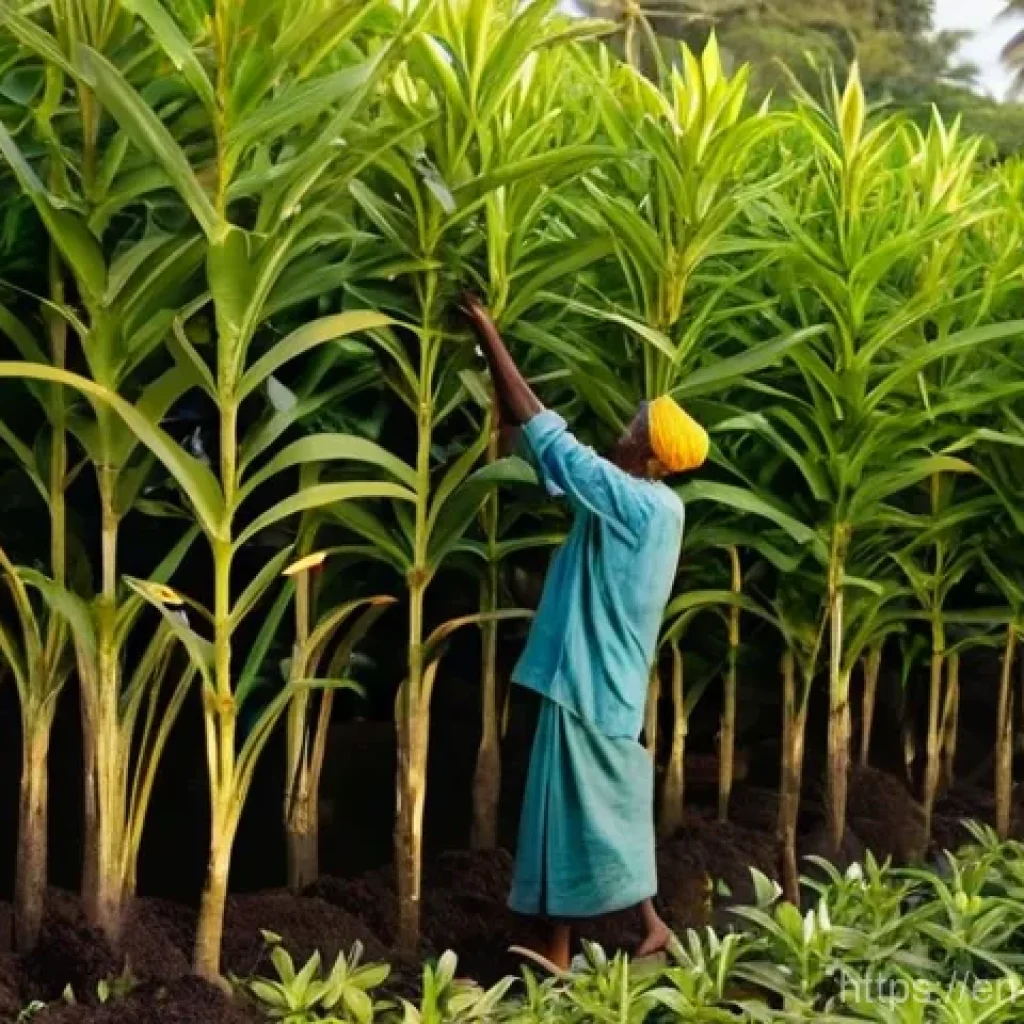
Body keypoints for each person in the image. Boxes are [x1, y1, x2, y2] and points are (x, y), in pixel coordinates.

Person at [462, 293, 709, 971]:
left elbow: (556, 444)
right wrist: (496, 380)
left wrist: (490, 333)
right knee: (610, 806)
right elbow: (544, 454)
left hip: (587, 682)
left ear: (650, 453)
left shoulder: (638, 505)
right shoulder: (653, 506)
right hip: (606, 682)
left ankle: (559, 948)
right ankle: (648, 927)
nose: (622, 430)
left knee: (567, 816)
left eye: (633, 426)